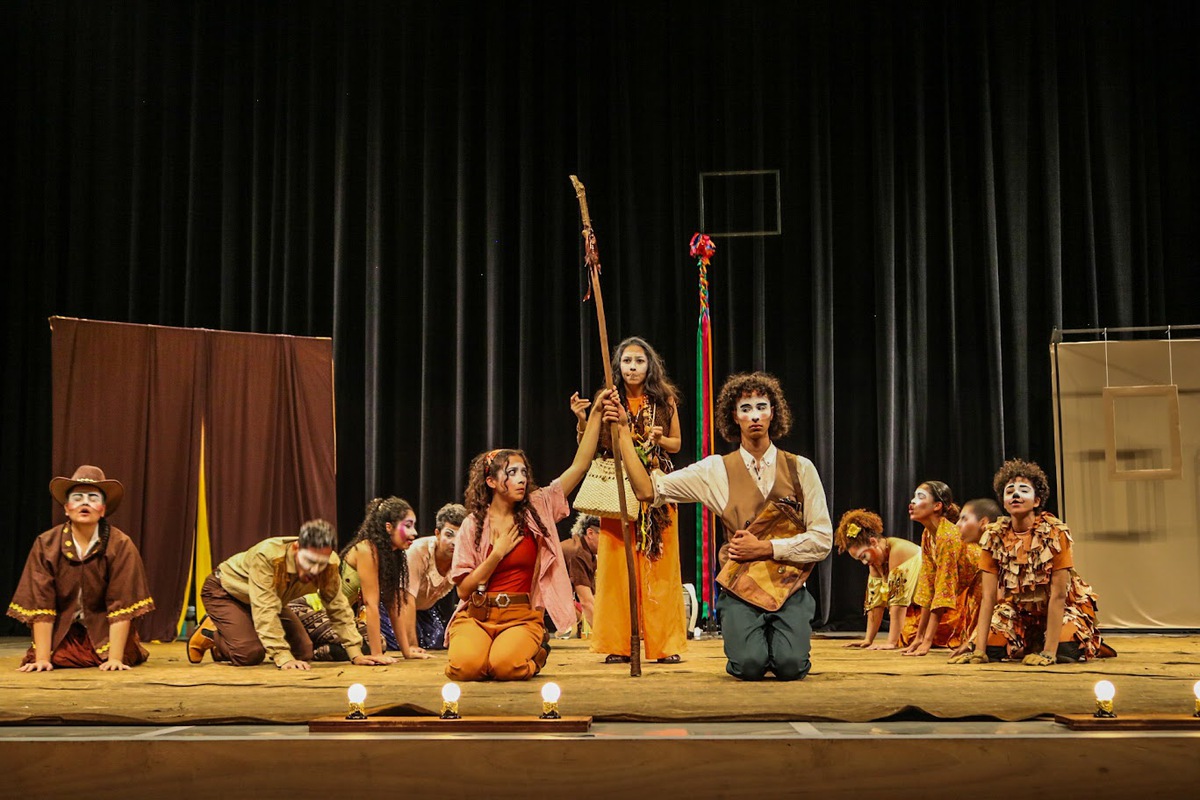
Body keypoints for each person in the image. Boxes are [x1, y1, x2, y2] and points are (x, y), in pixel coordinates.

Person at [613, 372, 832, 681]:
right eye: (745, 408)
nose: (754, 415)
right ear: (735, 416)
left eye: (761, 406)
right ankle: (751, 646)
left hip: (789, 586)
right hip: (741, 587)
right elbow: (650, 491)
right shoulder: (716, 470)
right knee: (749, 666)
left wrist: (766, 547)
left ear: (773, 413)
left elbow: (822, 539)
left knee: (790, 666)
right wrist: (623, 434)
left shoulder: (800, 468)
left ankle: (781, 647)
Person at [444, 390, 604, 681]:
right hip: (478, 616)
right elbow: (463, 591)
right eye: (512, 472)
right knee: (465, 669)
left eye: (523, 472)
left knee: (505, 668)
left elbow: (579, 466)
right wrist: (497, 553)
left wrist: (591, 418)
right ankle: (489, 652)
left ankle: (534, 652)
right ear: (491, 481)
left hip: (520, 616)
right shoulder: (472, 524)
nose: (521, 478)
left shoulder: (538, 508)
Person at [572, 336, 687, 664]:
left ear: (650, 365)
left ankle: (664, 646)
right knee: (617, 571)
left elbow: (677, 444)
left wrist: (660, 438)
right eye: (627, 361)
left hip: (656, 491)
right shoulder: (607, 398)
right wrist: (583, 419)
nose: (633, 367)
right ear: (617, 366)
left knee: (659, 568)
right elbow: (591, 443)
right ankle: (619, 645)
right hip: (618, 490)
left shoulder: (664, 399)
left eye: (639, 361)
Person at [951, 459, 1116, 666]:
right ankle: (1025, 643)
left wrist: (1049, 652)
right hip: (1020, 612)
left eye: (1023, 490)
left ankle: (1053, 643)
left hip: (1062, 609)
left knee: (1065, 650)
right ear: (1003, 502)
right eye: (1009, 491)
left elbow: (1058, 596)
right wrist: (980, 650)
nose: (1016, 495)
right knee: (993, 649)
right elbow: (988, 597)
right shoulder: (993, 537)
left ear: (1037, 501)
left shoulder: (1055, 533)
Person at [186, 519, 391, 669]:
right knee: (249, 654)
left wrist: (355, 653)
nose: (315, 570)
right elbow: (264, 610)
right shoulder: (268, 556)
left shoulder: (328, 564)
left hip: (270, 600)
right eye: (310, 562)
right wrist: (282, 657)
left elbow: (338, 608)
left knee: (304, 652)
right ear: (296, 548)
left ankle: (235, 633)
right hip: (226, 591)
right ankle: (211, 634)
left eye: (321, 564)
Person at [9, 465, 154, 671]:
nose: (85, 502)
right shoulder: (46, 544)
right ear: (66, 507)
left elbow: (121, 603)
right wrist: (42, 658)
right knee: (58, 657)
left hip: (104, 631)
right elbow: (41, 602)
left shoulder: (120, 544)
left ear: (103, 509)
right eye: (77, 497)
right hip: (64, 632)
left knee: (110, 656)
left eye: (93, 498)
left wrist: (114, 658)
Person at [901, 481, 981, 657]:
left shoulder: (948, 535)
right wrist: (919, 638)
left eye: (920, 497)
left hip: (982, 578)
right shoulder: (928, 535)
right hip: (963, 586)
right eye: (914, 496)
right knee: (910, 633)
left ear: (937, 506)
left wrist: (928, 641)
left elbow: (943, 588)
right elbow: (928, 585)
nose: (912, 502)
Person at [834, 508, 922, 650]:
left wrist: (891, 643)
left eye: (864, 556)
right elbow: (875, 603)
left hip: (941, 611)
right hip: (918, 613)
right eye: (859, 560)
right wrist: (868, 639)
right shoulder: (875, 561)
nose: (864, 563)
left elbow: (898, 602)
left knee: (910, 634)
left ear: (874, 542)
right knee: (909, 633)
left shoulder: (899, 550)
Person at [402, 502, 465, 650]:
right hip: (396, 606)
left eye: (461, 536)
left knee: (437, 642)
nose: (455, 542)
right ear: (437, 533)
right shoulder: (418, 551)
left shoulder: (464, 555)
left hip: (423, 609)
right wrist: (412, 646)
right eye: (449, 535)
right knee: (401, 643)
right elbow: (407, 599)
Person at [559, 512, 600, 634]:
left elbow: (593, 597)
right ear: (590, 533)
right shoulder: (577, 552)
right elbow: (586, 601)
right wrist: (605, 637)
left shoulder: (588, 552)